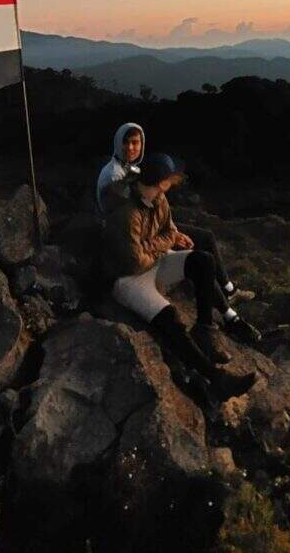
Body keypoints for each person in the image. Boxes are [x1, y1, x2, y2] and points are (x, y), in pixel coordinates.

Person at [103, 153, 260, 401]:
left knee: (203, 260)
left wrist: (156, 243)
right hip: (128, 278)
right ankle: (217, 379)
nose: (174, 181)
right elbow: (135, 261)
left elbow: (171, 230)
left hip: (152, 261)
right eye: (170, 177)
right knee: (169, 319)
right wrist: (163, 243)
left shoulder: (158, 199)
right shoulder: (127, 212)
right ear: (161, 180)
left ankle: (205, 330)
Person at [95, 122, 254, 306]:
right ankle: (224, 302)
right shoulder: (114, 174)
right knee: (200, 248)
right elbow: (126, 216)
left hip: (147, 228)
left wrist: (170, 231)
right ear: (117, 143)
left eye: (135, 143)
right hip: (133, 237)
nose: (130, 148)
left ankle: (228, 290)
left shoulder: (134, 169)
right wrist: (170, 237)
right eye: (126, 143)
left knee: (204, 237)